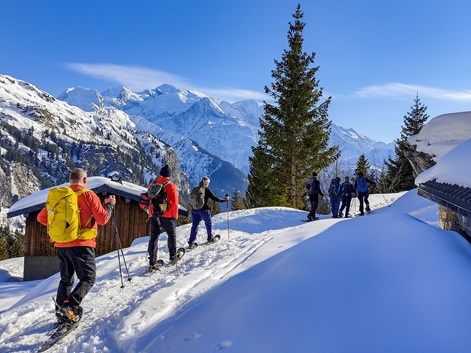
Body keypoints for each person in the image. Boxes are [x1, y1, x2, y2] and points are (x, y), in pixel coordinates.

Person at [37, 168, 116, 324]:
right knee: (88, 278)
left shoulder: (61, 197)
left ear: (70, 180)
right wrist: (110, 206)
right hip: (82, 245)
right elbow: (102, 220)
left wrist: (62, 230)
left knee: (66, 280)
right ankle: (70, 307)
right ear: (85, 180)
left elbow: (41, 218)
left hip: (61, 244)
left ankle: (61, 311)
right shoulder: (89, 195)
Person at [147, 164, 180, 269]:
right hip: (167, 216)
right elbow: (174, 203)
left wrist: (151, 212)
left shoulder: (153, 184)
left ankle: (152, 262)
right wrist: (174, 216)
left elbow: (149, 198)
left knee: (154, 237)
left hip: (154, 215)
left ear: (160, 174)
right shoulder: (171, 186)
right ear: (169, 175)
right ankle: (173, 257)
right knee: (171, 235)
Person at [188, 176, 230, 248]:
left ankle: (191, 243)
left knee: (195, 225)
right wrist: (225, 200)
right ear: (206, 183)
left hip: (194, 210)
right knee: (208, 223)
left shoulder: (196, 189)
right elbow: (215, 198)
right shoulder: (206, 190)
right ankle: (209, 238)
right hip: (204, 210)